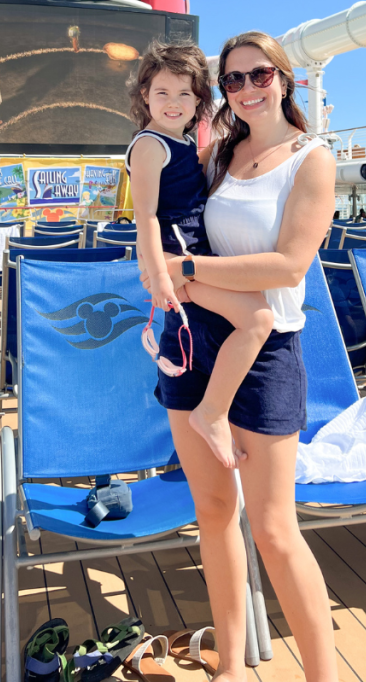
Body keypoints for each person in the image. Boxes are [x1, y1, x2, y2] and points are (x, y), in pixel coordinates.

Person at [140, 30, 338, 682]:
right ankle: (229, 665)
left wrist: (187, 267)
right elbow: (166, 214)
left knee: (275, 532)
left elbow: (287, 265)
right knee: (215, 513)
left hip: (264, 352)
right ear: (219, 92)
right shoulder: (220, 155)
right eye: (233, 80)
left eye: (259, 75)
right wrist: (167, 270)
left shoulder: (310, 158)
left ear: (283, 78)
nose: (247, 88)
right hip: (194, 341)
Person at [127, 40, 275, 470]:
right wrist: (158, 277)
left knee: (248, 318)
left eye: (184, 94)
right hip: (182, 264)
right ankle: (210, 412)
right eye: (162, 93)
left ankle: (213, 409)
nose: (173, 103)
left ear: (200, 101)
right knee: (259, 318)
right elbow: (147, 217)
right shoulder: (150, 145)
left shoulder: (182, 141)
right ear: (144, 97)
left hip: (193, 257)